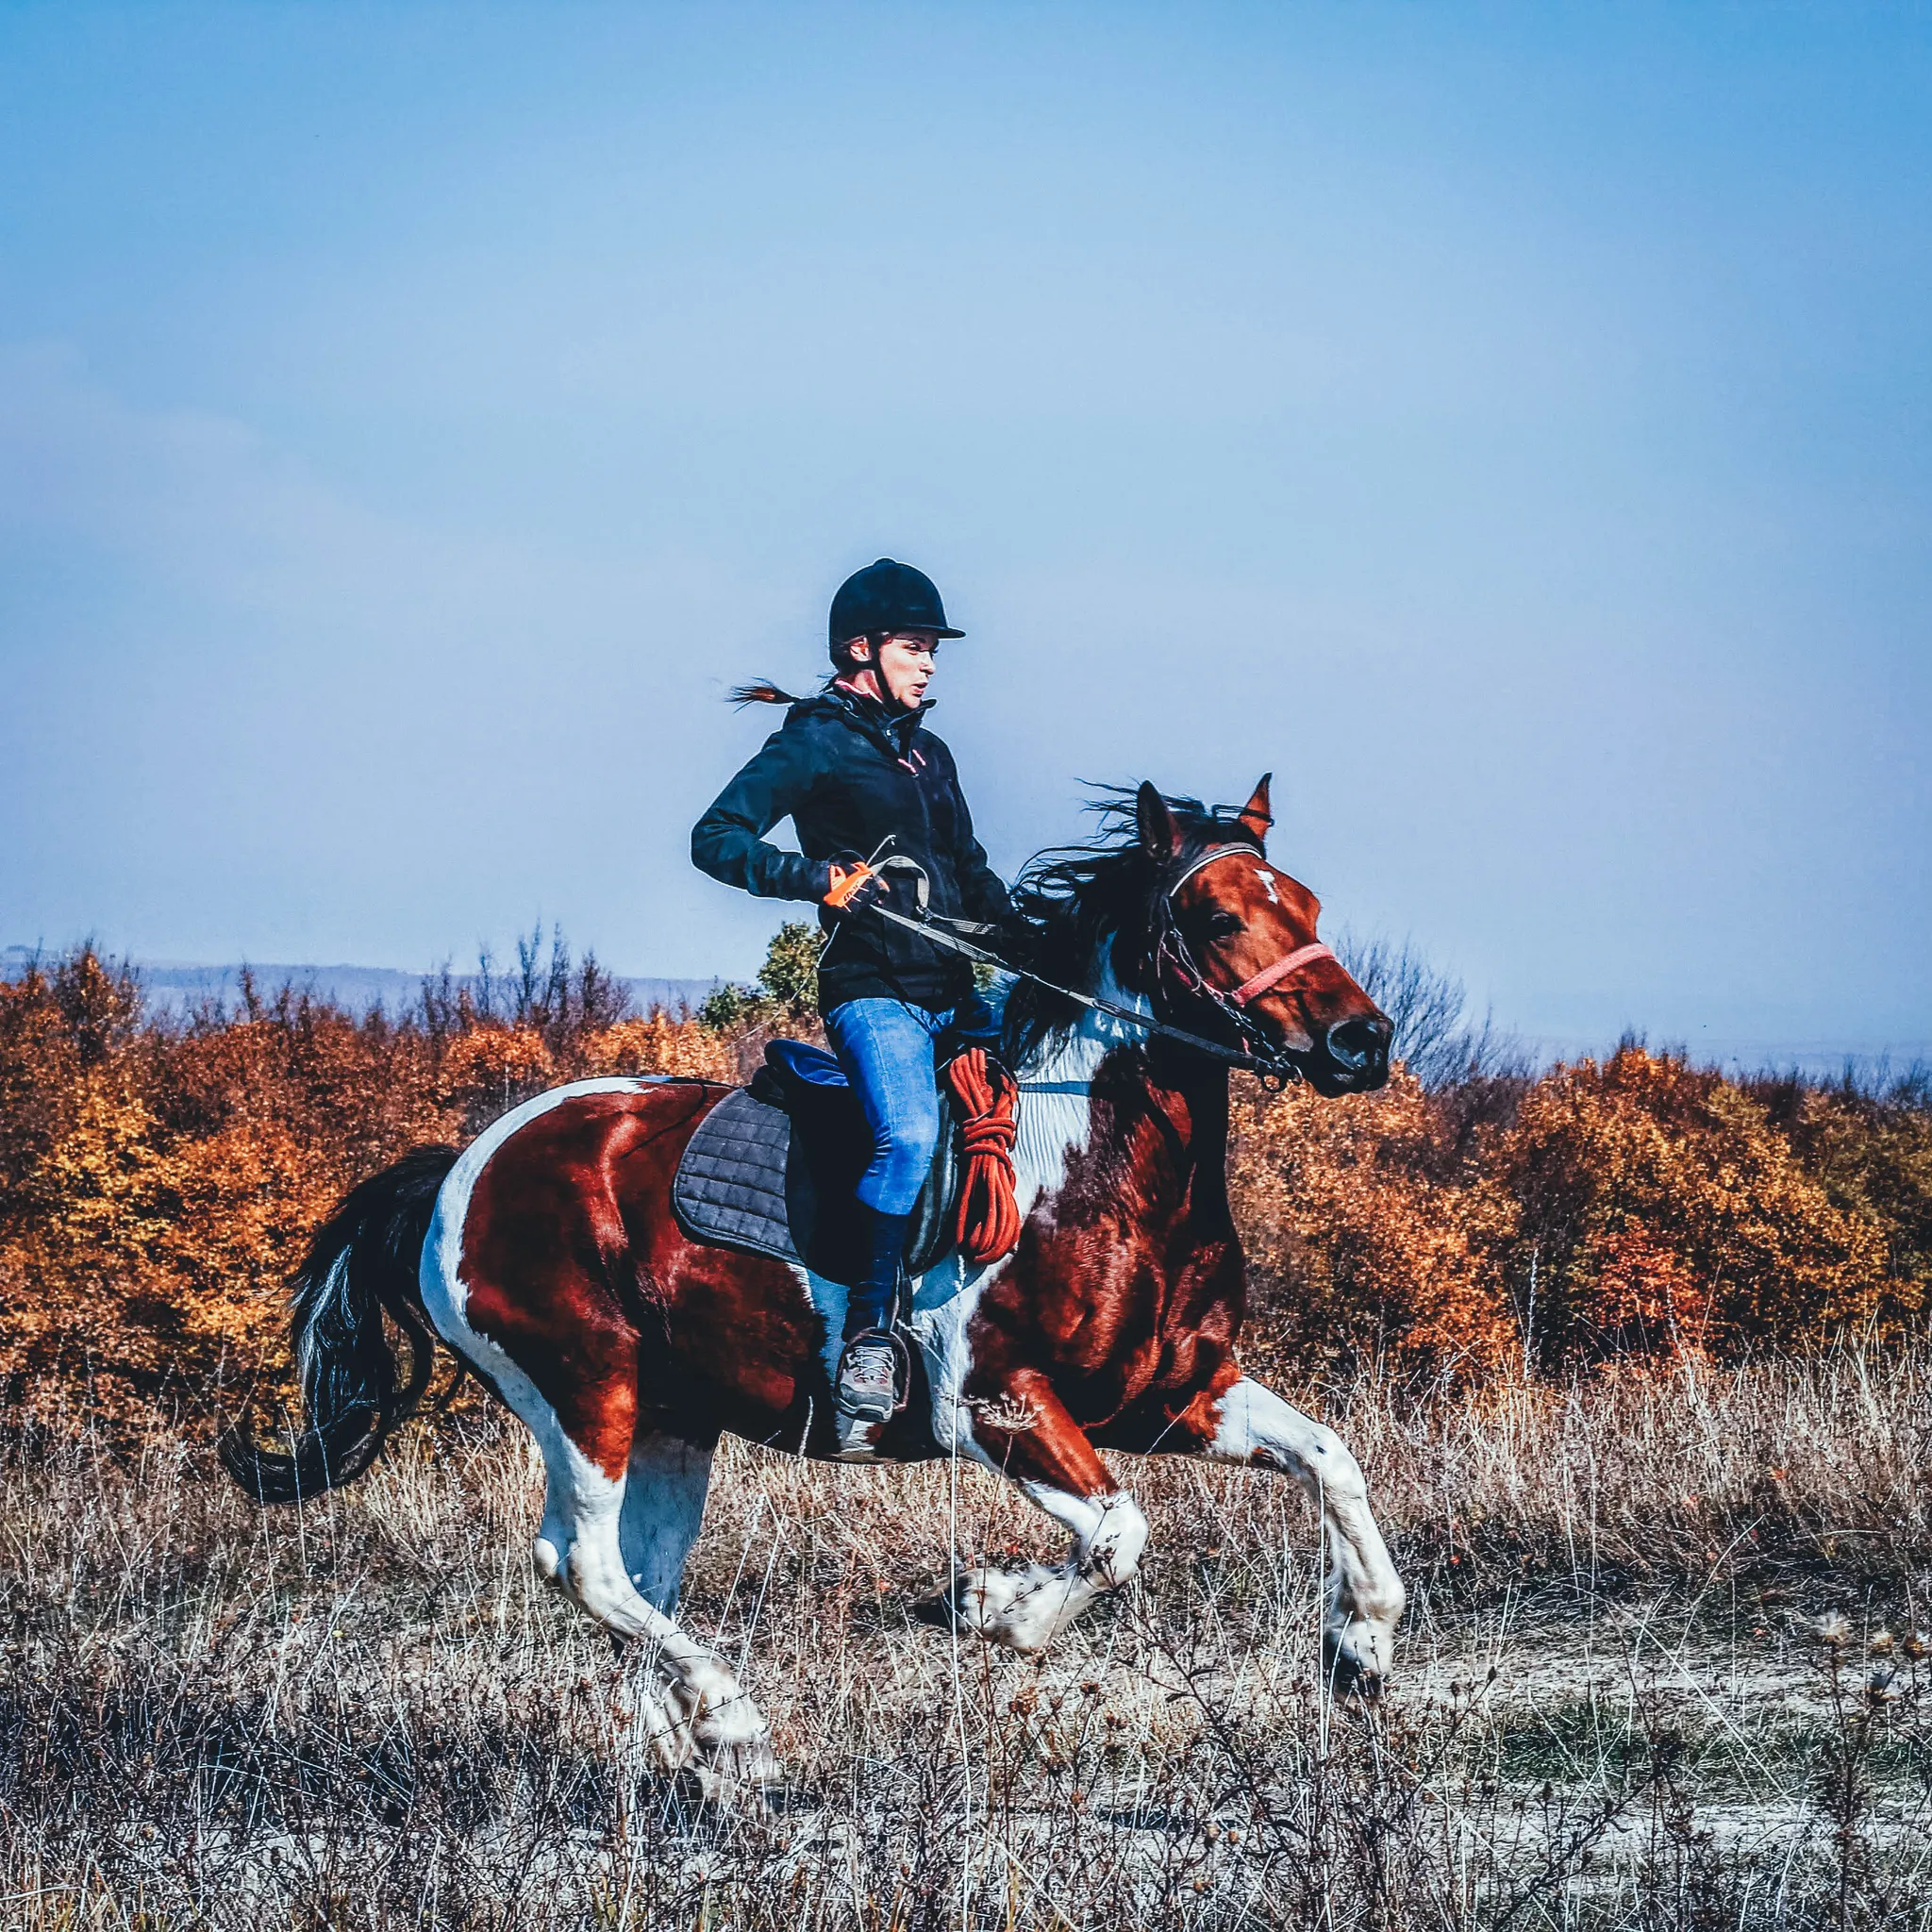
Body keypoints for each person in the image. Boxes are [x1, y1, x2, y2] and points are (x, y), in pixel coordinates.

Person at [691, 558, 1016, 1445]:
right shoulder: (815, 743)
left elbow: (970, 871)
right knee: (907, 1136)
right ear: (861, 650)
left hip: (955, 993)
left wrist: (1029, 940)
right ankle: (868, 1338)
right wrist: (814, 878)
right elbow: (714, 839)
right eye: (915, 647)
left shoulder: (931, 753)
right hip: (873, 993)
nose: (931, 663)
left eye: (933, 649)